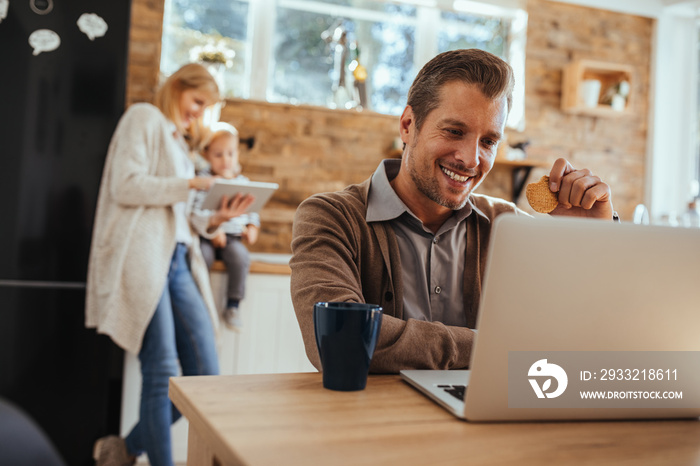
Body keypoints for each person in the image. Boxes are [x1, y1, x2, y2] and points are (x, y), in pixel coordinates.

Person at [289, 49, 615, 374]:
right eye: (454, 131)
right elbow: (336, 341)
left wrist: (591, 244)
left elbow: (580, 336)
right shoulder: (331, 217)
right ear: (407, 125)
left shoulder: (509, 227)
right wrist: (494, 346)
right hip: (375, 421)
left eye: (488, 141)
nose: (471, 159)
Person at [85, 63, 253, 466]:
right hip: (146, 257)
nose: (198, 113)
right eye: (197, 101)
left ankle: (122, 450)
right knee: (161, 371)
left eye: (205, 107)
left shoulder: (180, 144)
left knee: (203, 380)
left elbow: (180, 217)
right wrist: (192, 184)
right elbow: (124, 185)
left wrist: (214, 217)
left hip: (178, 259)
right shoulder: (143, 118)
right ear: (177, 86)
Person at [191, 122, 261, 330]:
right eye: (218, 154)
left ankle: (233, 305)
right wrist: (214, 232)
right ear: (206, 154)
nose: (225, 160)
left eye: (230, 154)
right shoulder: (202, 180)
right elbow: (196, 210)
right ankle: (198, 302)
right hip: (206, 236)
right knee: (203, 257)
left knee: (240, 257)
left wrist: (252, 229)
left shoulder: (243, 181)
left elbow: (253, 211)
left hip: (233, 238)